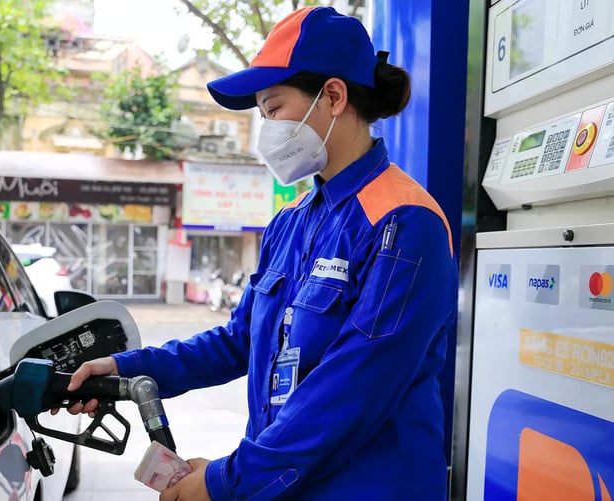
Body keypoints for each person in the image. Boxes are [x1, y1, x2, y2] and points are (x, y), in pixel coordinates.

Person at [64, 6, 458, 500]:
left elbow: (352, 389)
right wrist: (126, 369)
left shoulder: (404, 223)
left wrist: (224, 481)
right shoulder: (292, 221)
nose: (265, 129)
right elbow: (240, 341)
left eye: (273, 109)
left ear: (333, 96)